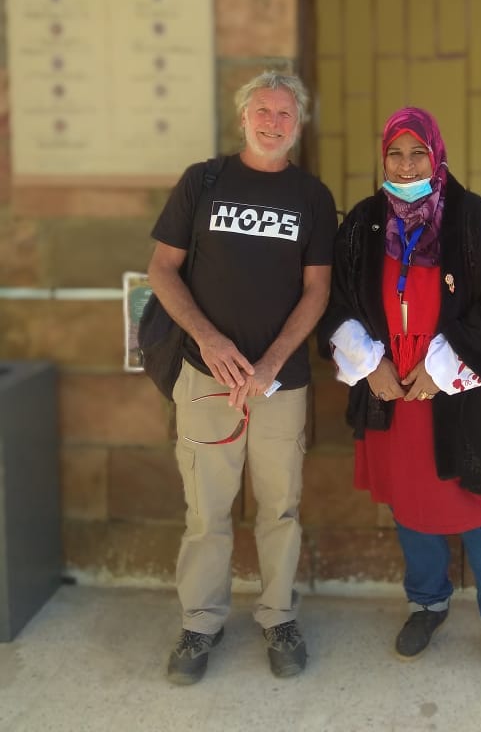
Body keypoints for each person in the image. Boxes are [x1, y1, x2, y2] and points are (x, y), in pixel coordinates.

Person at [318, 107, 481, 690]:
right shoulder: (363, 223)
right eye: (395, 154)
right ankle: (426, 605)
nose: (406, 165)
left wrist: (445, 369)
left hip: (462, 393)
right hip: (394, 394)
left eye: (418, 153)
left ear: (436, 155)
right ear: (383, 158)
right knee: (412, 509)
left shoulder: (472, 220)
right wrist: (370, 364)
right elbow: (336, 301)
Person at [147, 71, 337, 686]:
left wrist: (274, 360)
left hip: (280, 383)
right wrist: (210, 339)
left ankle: (279, 616)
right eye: (263, 110)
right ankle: (200, 623)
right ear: (242, 117)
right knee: (207, 510)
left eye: (285, 113)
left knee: (280, 508)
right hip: (206, 376)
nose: (272, 122)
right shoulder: (203, 182)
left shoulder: (312, 196)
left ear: (298, 125)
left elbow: (317, 289)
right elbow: (162, 270)